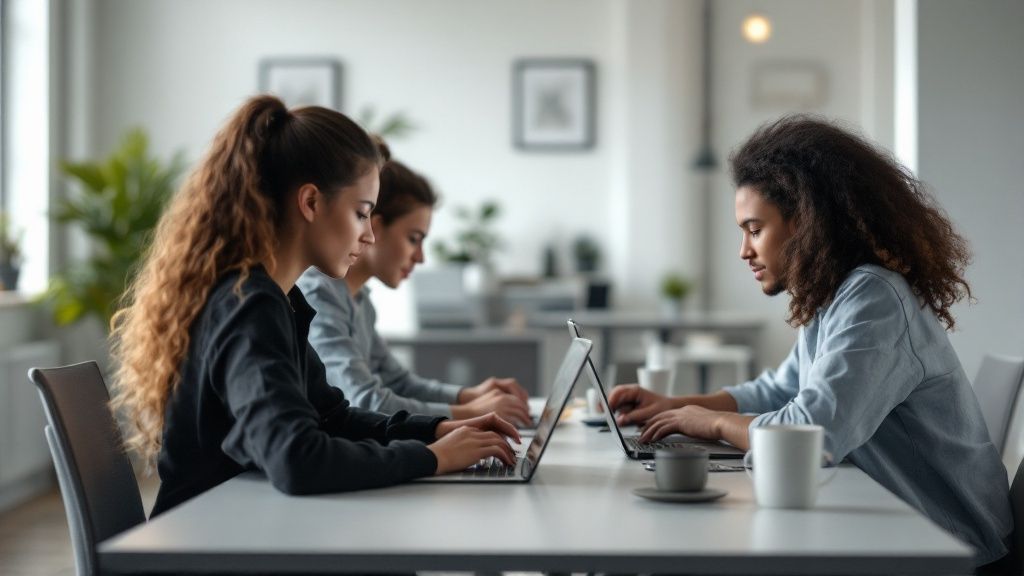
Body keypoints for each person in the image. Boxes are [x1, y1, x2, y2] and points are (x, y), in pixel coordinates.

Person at [608, 116, 1013, 571]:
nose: (744, 250)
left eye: (754, 229)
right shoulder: (837, 295)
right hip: (896, 523)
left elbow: (814, 433)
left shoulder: (874, 297)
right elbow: (780, 390)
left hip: (947, 542)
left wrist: (714, 424)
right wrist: (674, 406)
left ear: (805, 222)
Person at [109, 95, 519, 517]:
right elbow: (296, 460)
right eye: (362, 214)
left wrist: (436, 430)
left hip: (239, 522)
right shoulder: (248, 304)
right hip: (206, 540)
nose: (370, 235)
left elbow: (331, 417)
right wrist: (434, 458)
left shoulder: (278, 298)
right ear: (310, 202)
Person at [297, 155, 532, 425]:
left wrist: (468, 396)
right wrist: (474, 413)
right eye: (413, 239)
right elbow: (364, 400)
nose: (420, 257)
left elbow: (397, 381)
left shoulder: (360, 301)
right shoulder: (318, 294)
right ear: (375, 225)